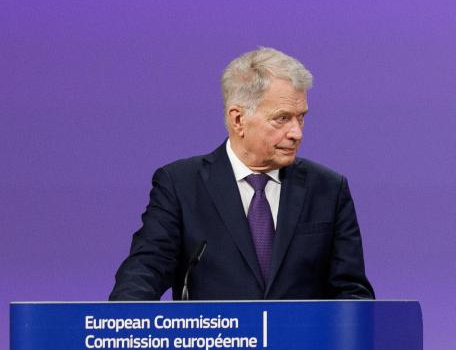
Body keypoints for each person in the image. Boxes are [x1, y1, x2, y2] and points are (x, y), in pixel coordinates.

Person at [109, 47, 374, 301]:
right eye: (282, 118)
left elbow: (351, 292)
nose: (297, 133)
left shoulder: (328, 189)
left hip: (299, 346)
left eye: (301, 117)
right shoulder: (180, 185)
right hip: (215, 345)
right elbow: (145, 269)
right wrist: (121, 326)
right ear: (238, 120)